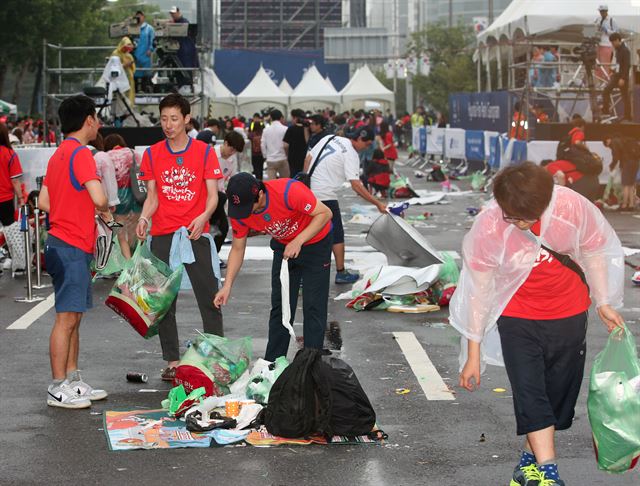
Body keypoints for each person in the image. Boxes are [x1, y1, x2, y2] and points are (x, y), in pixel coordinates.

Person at [453, 162, 625, 486]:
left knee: (557, 404)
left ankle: (529, 459)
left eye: (525, 217)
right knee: (530, 393)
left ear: (544, 202)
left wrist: (604, 301)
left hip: (569, 314)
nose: (517, 223)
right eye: (511, 216)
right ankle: (550, 473)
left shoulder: (572, 208)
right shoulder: (490, 225)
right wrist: (472, 352)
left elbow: (595, 250)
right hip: (517, 317)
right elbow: (479, 288)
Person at [135, 93, 224, 381]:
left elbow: (212, 197)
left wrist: (202, 217)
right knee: (163, 303)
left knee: (209, 298)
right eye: (163, 119)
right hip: (162, 234)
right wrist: (144, 218)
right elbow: (152, 196)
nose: (168, 124)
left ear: (186, 119)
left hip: (194, 233)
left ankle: (214, 358)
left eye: (174, 118)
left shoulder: (205, 152)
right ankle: (172, 361)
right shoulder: (151, 154)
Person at [38, 95, 112, 409]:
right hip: (70, 246)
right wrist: (105, 210)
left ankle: (72, 380)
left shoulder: (58, 155)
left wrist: (71, 210)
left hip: (62, 243)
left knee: (73, 318)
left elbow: (43, 201)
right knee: (66, 319)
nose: (98, 123)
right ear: (88, 120)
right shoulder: (82, 154)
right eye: (96, 117)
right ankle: (57, 387)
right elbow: (98, 197)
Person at [213, 172, 333, 361]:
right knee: (281, 306)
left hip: (316, 244)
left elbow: (325, 213)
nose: (245, 214)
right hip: (284, 248)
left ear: (260, 194)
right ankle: (273, 365)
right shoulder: (240, 211)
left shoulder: (289, 191)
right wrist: (227, 285)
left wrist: (299, 240)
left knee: (313, 306)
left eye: (248, 207)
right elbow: (237, 248)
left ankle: (311, 364)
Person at [304, 127, 387, 284]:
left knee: (308, 234)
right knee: (336, 235)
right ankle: (341, 272)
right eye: (367, 144)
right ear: (361, 140)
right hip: (325, 197)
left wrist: (306, 181)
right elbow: (356, 185)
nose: (367, 148)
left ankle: (302, 277)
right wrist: (378, 204)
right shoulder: (351, 154)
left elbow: (308, 158)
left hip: (308, 194)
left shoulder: (329, 138)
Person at [104, 133, 142, 259]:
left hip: (120, 198)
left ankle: (129, 265)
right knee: (135, 233)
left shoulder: (107, 156)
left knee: (121, 234)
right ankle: (138, 262)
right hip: (137, 197)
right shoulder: (134, 153)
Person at [210, 131, 245, 253]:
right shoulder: (211, 153)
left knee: (223, 228)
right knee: (207, 229)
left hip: (219, 198)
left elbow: (232, 178)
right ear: (225, 143)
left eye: (235, 151)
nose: (232, 153)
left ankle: (214, 255)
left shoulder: (232, 159)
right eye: (231, 149)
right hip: (206, 197)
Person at [604, 136, 639, 211]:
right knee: (631, 185)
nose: (609, 147)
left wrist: (611, 166)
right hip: (636, 162)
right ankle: (631, 204)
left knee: (625, 185)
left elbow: (616, 157)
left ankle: (624, 204)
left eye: (607, 144)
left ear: (608, 140)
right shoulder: (624, 140)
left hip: (627, 163)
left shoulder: (614, 142)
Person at [602, 33, 631, 121]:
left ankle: (627, 116)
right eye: (611, 42)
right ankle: (606, 111)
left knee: (625, 96)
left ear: (618, 40)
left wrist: (623, 78)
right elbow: (618, 64)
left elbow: (626, 65)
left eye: (614, 42)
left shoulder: (625, 50)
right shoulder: (617, 50)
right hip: (617, 75)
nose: (612, 44)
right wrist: (613, 72)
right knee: (606, 91)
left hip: (622, 76)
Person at [0, 123, 25, 228]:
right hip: (5, 199)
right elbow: (15, 180)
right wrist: (21, 198)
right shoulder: (10, 154)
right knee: (10, 231)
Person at [88, 133, 120, 210]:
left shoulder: (74, 154)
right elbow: (109, 179)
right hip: (100, 201)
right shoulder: (101, 156)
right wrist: (112, 201)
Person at [169, 6, 198, 88]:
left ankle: (187, 89)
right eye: (171, 14)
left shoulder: (184, 23)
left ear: (178, 12)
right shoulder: (173, 23)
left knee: (186, 75)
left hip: (185, 54)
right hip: (178, 52)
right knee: (178, 75)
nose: (173, 15)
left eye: (174, 13)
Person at [261, 109, 289, 180]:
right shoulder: (285, 129)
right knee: (285, 183)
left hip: (270, 160)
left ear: (271, 118)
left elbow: (262, 145)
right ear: (281, 117)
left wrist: (265, 156)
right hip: (282, 158)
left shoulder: (266, 130)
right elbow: (287, 144)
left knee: (272, 184)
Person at [132, 10, 155, 93]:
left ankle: (145, 92)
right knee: (134, 76)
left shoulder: (149, 29)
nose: (139, 18)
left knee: (146, 76)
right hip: (135, 56)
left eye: (140, 16)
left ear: (144, 17)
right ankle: (134, 93)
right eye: (137, 16)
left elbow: (153, 41)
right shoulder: (132, 28)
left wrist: (150, 49)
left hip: (145, 56)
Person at [111, 36, 136, 105]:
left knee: (129, 95)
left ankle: (129, 108)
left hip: (128, 78)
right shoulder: (115, 54)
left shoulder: (129, 55)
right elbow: (113, 67)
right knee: (120, 96)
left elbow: (133, 68)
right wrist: (124, 65)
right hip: (119, 79)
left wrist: (130, 64)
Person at [283, 109, 309, 177]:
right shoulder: (308, 129)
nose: (291, 120)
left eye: (292, 118)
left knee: (294, 177)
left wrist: (287, 155)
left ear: (295, 118)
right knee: (304, 177)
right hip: (305, 157)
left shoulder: (291, 129)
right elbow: (308, 142)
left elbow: (285, 145)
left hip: (293, 158)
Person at [595, 5, 617, 75]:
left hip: (607, 44)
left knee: (605, 64)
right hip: (598, 44)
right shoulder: (598, 19)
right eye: (600, 11)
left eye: (602, 11)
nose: (601, 13)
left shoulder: (612, 20)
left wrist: (606, 30)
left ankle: (605, 81)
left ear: (606, 11)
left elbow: (616, 33)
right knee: (597, 65)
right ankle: (598, 81)